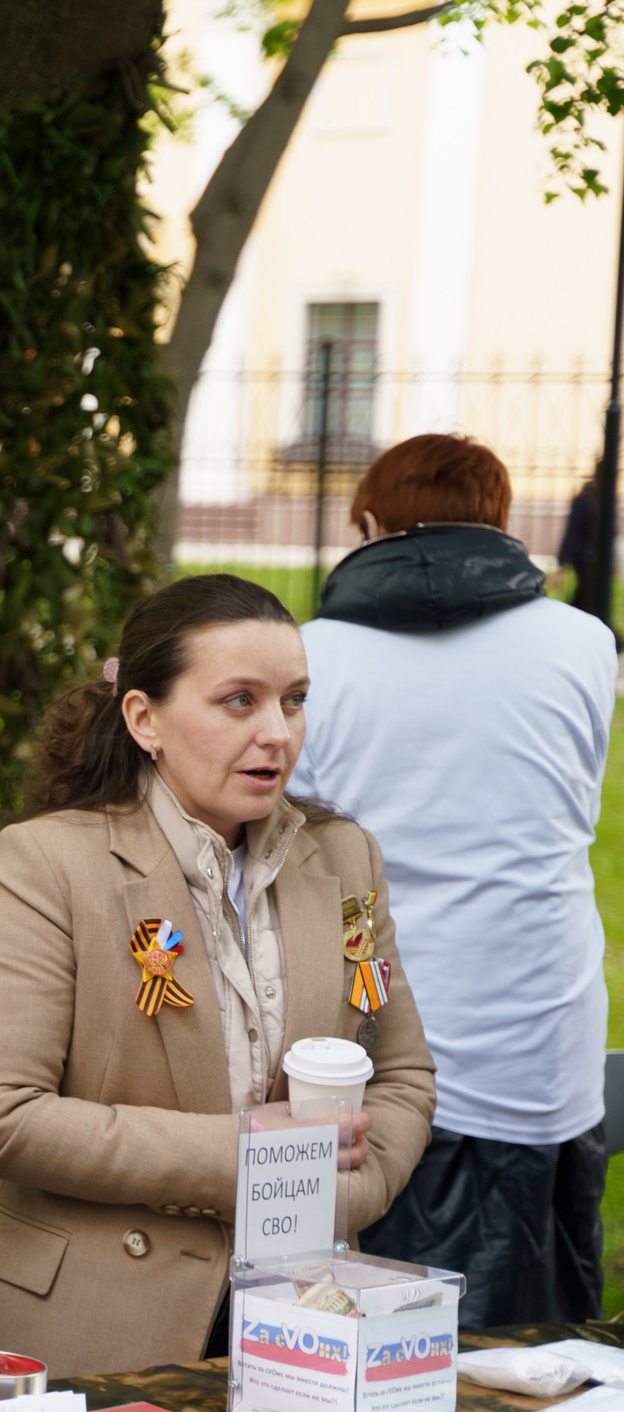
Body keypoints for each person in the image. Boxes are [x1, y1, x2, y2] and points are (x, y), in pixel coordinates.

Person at [0, 574, 435, 1378]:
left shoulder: (347, 858)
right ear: (145, 718)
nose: (277, 732)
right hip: (90, 1333)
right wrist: (249, 1157)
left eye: (294, 700)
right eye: (239, 701)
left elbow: (402, 1071)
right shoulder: (47, 862)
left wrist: (341, 1196)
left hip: (299, 1322)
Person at [291, 435, 617, 1328]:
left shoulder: (312, 659)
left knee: (372, 1334)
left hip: (379, 1040)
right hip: (547, 1038)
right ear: (500, 524)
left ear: (370, 526)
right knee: (544, 1343)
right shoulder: (585, 642)